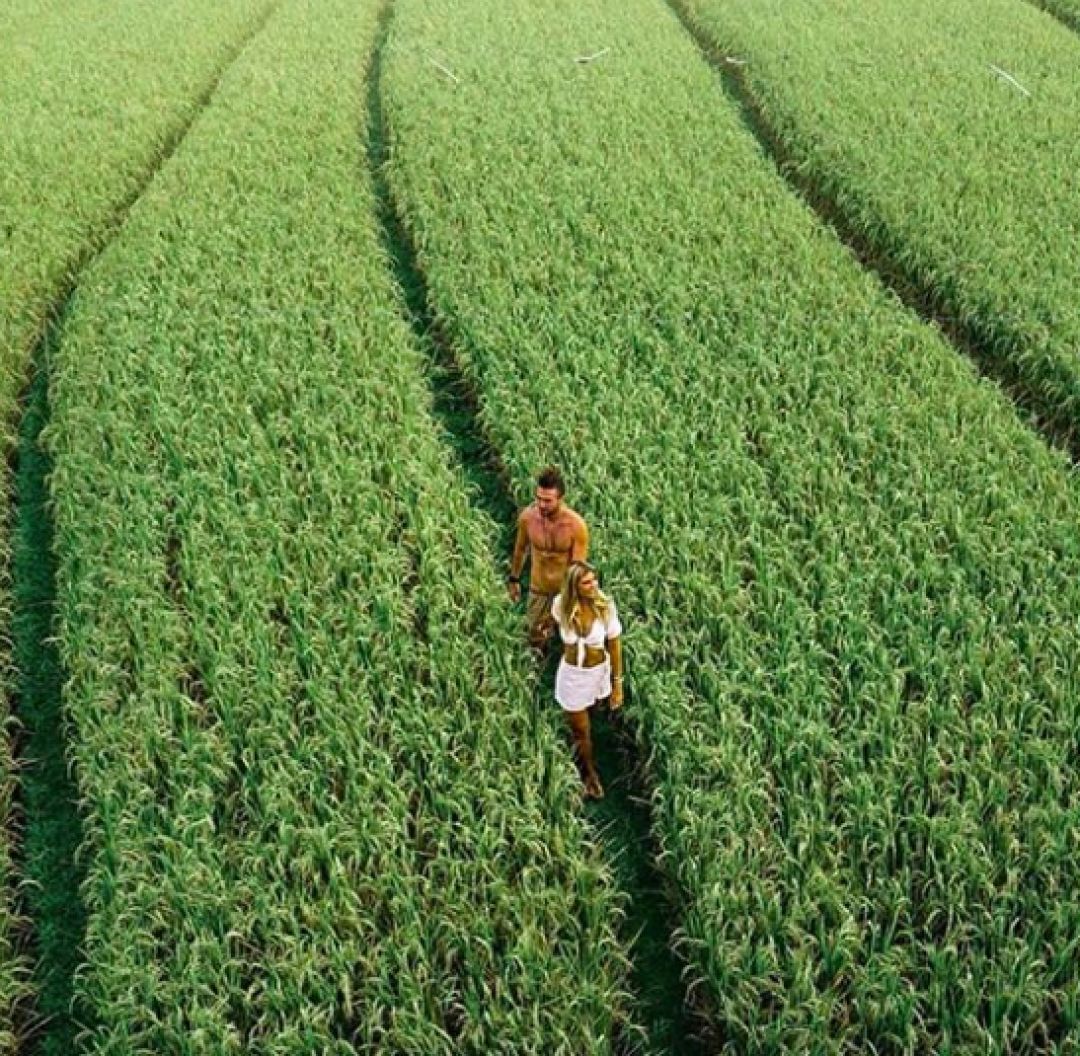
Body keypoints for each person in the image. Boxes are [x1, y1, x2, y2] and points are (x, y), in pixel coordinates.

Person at [551, 561, 624, 798]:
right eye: (586, 582)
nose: (593, 585)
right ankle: (588, 775)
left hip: (598, 673)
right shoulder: (560, 605)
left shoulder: (605, 607)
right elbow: (556, 628)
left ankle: (589, 754)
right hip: (573, 676)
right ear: (574, 586)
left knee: (591, 717)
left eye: (594, 580)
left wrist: (617, 683)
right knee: (581, 731)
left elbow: (614, 646)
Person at [507, 466, 589, 650]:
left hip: (565, 592)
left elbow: (578, 568)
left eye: (548, 501)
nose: (542, 505)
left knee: (570, 642)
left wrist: (566, 601)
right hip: (539, 589)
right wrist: (514, 579)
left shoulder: (575, 526)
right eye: (539, 499)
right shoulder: (528, 518)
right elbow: (520, 550)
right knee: (535, 638)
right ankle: (537, 672)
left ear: (560, 498)